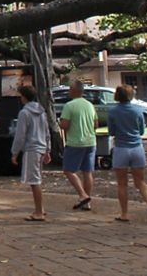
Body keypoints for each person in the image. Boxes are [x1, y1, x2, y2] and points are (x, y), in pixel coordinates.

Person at [108, 85, 147, 223]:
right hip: (137, 148)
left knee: (122, 183)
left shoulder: (113, 112)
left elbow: (111, 131)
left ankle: (124, 213)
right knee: (141, 182)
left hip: (121, 148)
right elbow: (142, 130)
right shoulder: (138, 110)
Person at [10, 84, 51, 221]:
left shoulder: (24, 113)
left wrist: (15, 152)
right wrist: (48, 149)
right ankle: (40, 208)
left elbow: (20, 135)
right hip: (41, 147)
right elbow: (46, 132)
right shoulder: (42, 111)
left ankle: (39, 211)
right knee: (37, 178)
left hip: (31, 148)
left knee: (34, 181)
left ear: (24, 97)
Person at [59, 80, 97, 210]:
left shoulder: (69, 106)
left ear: (75, 90)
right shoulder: (89, 105)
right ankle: (87, 201)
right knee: (87, 171)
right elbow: (95, 123)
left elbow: (65, 125)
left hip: (75, 142)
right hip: (91, 141)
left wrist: (60, 123)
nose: (69, 90)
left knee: (68, 170)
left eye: (70, 88)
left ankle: (82, 195)